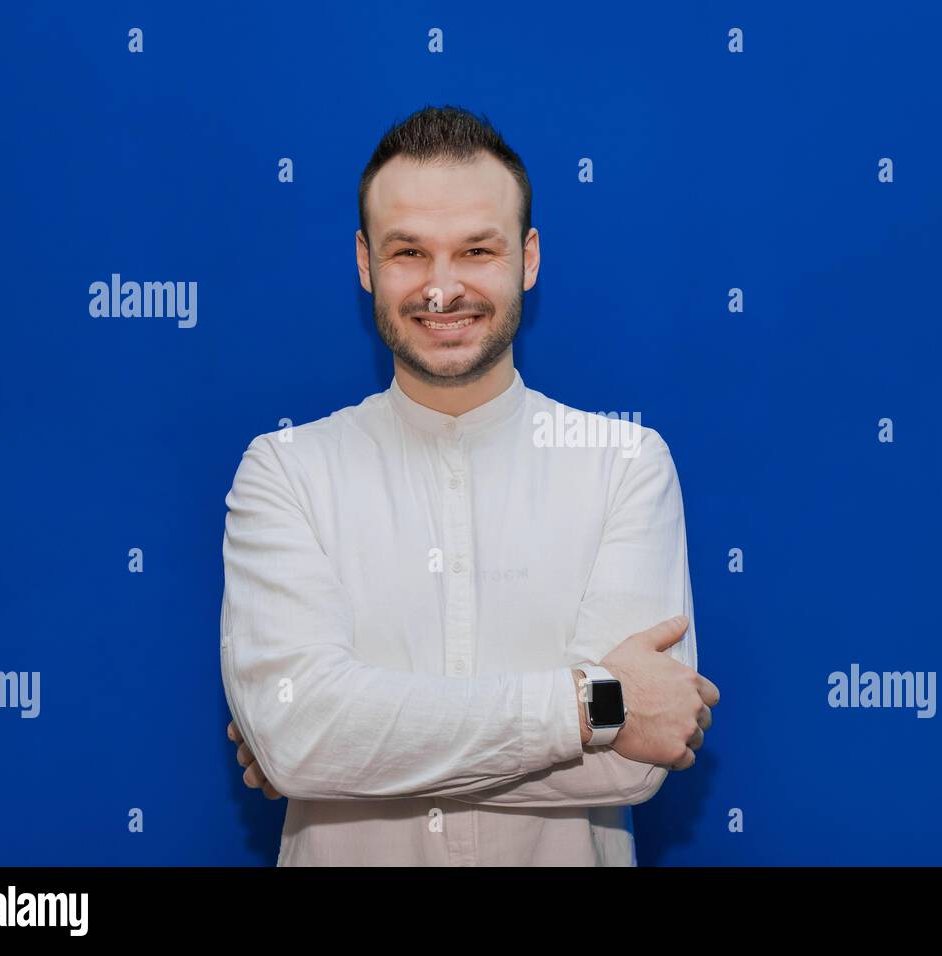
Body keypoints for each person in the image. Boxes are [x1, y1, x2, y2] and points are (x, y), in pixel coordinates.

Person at [220, 104, 720, 866]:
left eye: (477, 250)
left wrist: (355, 754)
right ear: (364, 263)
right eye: (409, 252)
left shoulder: (626, 463)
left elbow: (631, 763)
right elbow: (300, 739)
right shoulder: (285, 470)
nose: (441, 289)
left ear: (529, 258)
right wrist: (596, 705)